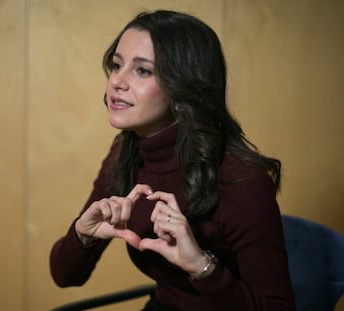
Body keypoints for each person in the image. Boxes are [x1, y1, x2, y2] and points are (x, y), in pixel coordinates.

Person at [50, 10, 296, 311]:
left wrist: (202, 268)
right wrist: (81, 235)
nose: (117, 81)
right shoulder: (124, 155)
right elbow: (64, 276)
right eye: (116, 65)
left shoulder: (241, 179)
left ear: (184, 87)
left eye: (142, 71)